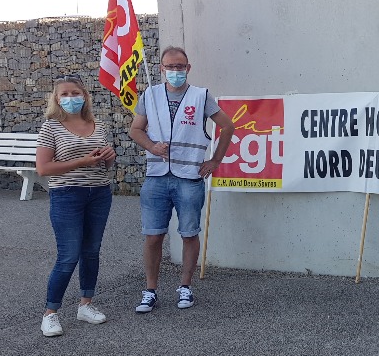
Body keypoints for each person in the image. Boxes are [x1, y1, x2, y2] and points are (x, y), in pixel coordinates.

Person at [129, 46, 234, 313]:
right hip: (156, 177)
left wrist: (215, 161)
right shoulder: (150, 95)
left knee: (189, 234)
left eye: (180, 66)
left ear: (188, 68)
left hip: (189, 177)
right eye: (170, 66)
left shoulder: (201, 96)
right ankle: (150, 290)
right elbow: (136, 129)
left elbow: (228, 125)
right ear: (161, 69)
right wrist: (152, 147)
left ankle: (185, 286)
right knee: (153, 236)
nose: (175, 71)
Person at [36, 74, 117, 337]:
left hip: (99, 193)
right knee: (68, 255)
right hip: (67, 194)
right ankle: (50, 313)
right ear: (56, 99)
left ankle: (86, 304)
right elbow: (43, 168)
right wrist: (82, 161)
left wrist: (109, 157)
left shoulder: (98, 125)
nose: (71, 98)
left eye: (75, 93)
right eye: (65, 94)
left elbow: (104, 164)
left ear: (85, 96)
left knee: (91, 251)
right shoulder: (51, 127)